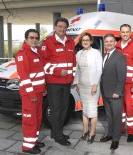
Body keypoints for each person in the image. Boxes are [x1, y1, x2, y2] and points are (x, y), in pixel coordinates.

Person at [41, 17, 76, 146]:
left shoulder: (70, 42)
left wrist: (72, 79)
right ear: (55, 27)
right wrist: (57, 71)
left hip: (67, 83)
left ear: (67, 28)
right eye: (59, 26)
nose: (62, 29)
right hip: (54, 82)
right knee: (55, 109)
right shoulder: (48, 42)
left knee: (64, 109)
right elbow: (43, 63)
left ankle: (57, 132)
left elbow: (73, 62)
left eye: (64, 27)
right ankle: (57, 135)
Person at [15, 29, 46, 154]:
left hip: (38, 93)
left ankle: (34, 140)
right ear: (26, 39)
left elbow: (39, 73)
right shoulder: (22, 54)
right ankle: (28, 146)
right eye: (31, 37)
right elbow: (24, 77)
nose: (34, 40)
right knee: (29, 120)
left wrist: (43, 89)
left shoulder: (36, 52)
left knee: (37, 119)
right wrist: (32, 94)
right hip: (30, 95)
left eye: (36, 38)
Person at [73, 32, 102, 144]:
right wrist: (77, 83)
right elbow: (77, 70)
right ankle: (85, 131)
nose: (85, 42)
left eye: (87, 40)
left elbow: (99, 70)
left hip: (92, 86)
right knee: (84, 109)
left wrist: (95, 84)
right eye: (83, 40)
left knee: (92, 111)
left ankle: (92, 133)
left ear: (91, 41)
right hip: (82, 86)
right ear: (81, 42)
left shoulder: (96, 53)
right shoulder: (79, 53)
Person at [100, 33, 126, 150]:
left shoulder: (119, 56)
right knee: (109, 116)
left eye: (111, 41)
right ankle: (110, 134)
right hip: (105, 92)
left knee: (116, 116)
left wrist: (118, 91)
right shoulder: (104, 55)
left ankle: (116, 139)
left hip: (115, 93)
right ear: (104, 43)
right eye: (106, 41)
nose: (109, 43)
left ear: (115, 43)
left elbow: (122, 76)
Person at [116, 24, 133, 142]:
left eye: (127, 32)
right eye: (123, 32)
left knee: (130, 108)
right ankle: (121, 128)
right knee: (119, 108)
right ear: (120, 33)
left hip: (129, 85)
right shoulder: (115, 46)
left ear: (130, 33)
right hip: (118, 85)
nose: (125, 34)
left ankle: (131, 131)